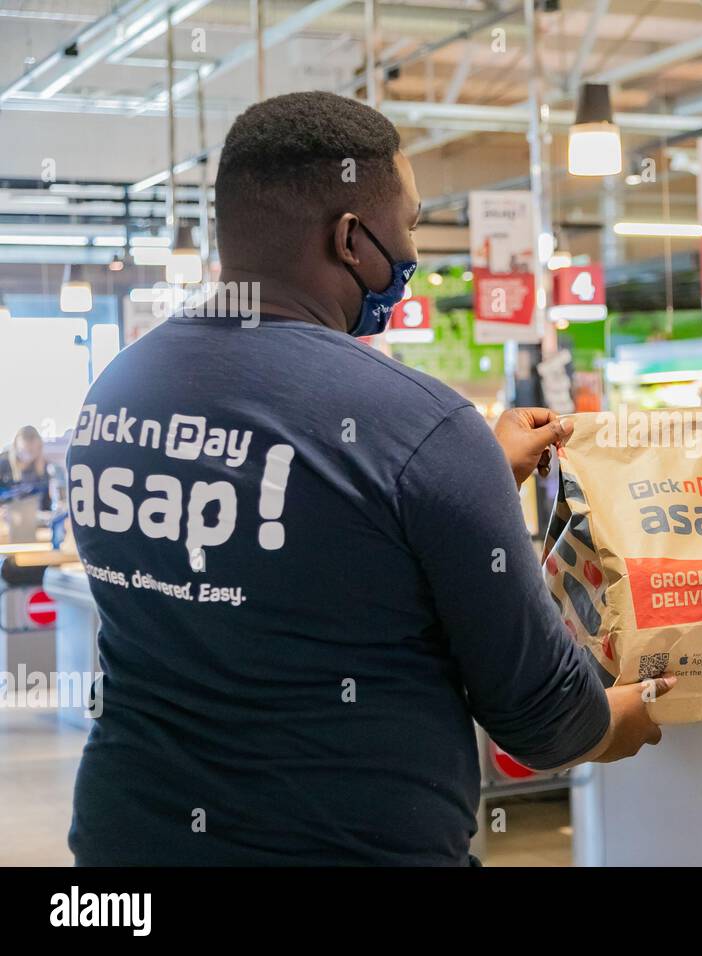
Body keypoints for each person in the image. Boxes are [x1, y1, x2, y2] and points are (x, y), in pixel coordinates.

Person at [66, 91, 669, 866]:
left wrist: (472, 468)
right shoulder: (421, 424)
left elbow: (303, 517)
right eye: (411, 224)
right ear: (351, 238)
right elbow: (546, 718)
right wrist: (622, 715)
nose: (414, 252)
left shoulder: (115, 392)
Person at [0, 424, 54, 510]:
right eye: (24, 450)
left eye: (31, 451)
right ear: (16, 447)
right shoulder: (3, 464)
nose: (27, 455)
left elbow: (46, 502)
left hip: (33, 517)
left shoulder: (43, 468)